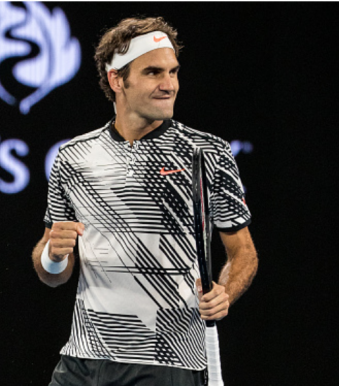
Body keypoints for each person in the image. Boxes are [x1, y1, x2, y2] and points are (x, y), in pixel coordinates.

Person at [31, 16, 258, 386]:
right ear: (116, 79)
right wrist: (53, 256)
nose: (169, 85)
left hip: (170, 362)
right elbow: (53, 274)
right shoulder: (73, 157)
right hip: (82, 362)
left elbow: (243, 254)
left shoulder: (208, 152)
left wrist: (225, 293)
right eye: (153, 72)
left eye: (173, 72)